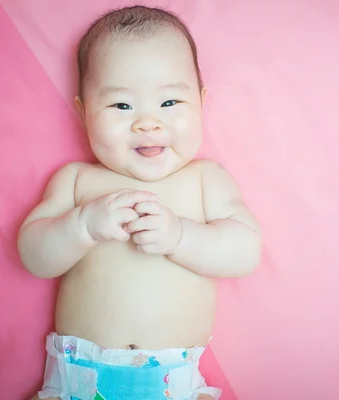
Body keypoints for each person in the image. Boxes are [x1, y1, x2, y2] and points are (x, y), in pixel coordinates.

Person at [17, 5, 262, 400]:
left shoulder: (204, 179)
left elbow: (245, 251)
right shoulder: (77, 180)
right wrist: (80, 226)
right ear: (83, 113)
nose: (147, 122)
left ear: (200, 101)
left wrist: (181, 236)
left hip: (175, 383)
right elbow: (33, 254)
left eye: (169, 103)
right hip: (78, 379)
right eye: (121, 106)